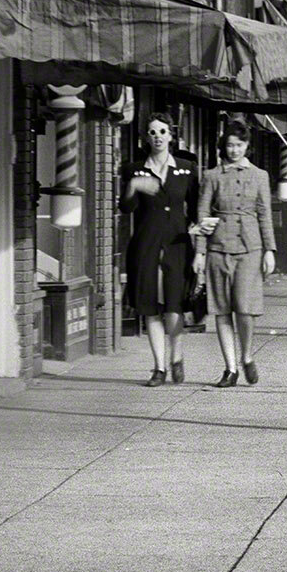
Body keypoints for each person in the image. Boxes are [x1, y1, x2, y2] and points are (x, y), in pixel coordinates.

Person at [193, 117, 276, 386]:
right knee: (221, 308)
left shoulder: (259, 176)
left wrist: (269, 250)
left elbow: (264, 214)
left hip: (250, 248)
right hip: (218, 247)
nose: (234, 150)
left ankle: (247, 356)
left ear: (246, 146)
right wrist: (200, 252)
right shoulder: (211, 176)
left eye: (239, 145)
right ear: (223, 146)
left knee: (245, 307)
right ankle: (230, 368)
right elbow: (203, 214)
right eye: (230, 145)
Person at [120, 114, 200, 386]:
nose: (157, 136)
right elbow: (125, 208)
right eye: (152, 132)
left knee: (174, 306)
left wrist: (199, 247)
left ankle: (176, 357)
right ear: (145, 137)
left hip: (178, 245)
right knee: (150, 305)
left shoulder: (187, 169)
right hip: (146, 245)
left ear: (170, 136)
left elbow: (198, 211)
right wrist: (132, 187)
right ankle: (158, 368)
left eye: (162, 131)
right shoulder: (134, 170)